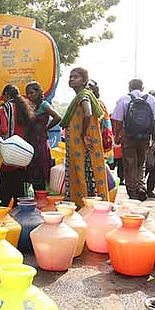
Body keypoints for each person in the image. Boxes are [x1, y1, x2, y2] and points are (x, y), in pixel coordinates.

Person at [60, 67, 109, 207]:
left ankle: (86, 206)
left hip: (83, 144)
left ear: (84, 81)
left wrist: (83, 135)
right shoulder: (80, 97)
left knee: (85, 173)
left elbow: (87, 114)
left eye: (76, 77)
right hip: (79, 145)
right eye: (70, 77)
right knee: (84, 173)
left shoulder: (83, 96)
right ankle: (85, 205)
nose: (71, 79)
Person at [111, 79, 155, 201]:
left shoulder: (124, 99)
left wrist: (117, 135)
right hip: (145, 136)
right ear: (142, 87)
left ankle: (133, 190)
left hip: (128, 136)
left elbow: (118, 120)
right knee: (141, 162)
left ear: (129, 87)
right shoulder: (151, 100)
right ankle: (140, 186)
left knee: (130, 163)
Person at [0, 84, 35, 207]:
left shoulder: (5, 107)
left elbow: (3, 129)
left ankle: (2, 219)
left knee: (4, 191)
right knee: (19, 192)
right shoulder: (23, 107)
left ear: (6, 95)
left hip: (9, 152)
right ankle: (21, 217)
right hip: (23, 152)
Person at [25, 81, 61, 191]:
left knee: (40, 170)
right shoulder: (31, 107)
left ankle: (42, 197)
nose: (30, 96)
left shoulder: (44, 105)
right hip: (31, 142)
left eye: (32, 93)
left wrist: (47, 128)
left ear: (39, 92)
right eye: (28, 94)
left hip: (40, 143)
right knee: (32, 171)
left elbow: (57, 117)